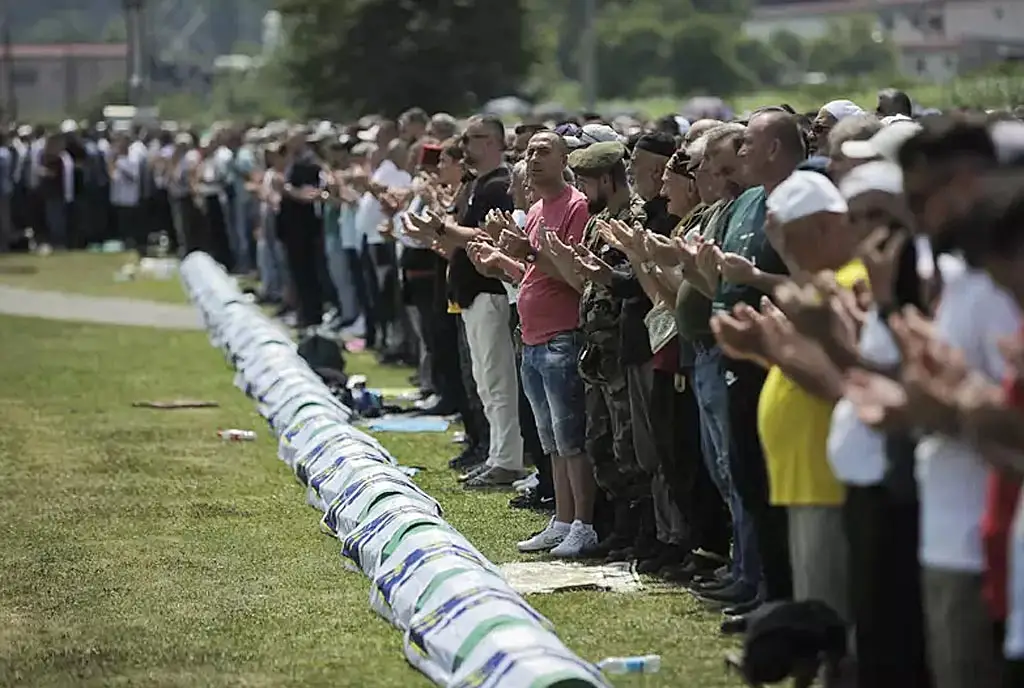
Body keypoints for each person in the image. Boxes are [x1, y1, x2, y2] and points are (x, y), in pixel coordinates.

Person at [498, 131, 595, 557]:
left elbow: (573, 276)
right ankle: (561, 518)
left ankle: (584, 524)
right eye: (529, 152)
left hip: (561, 336)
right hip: (534, 338)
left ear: (564, 159)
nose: (533, 159)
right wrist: (508, 258)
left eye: (543, 152)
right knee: (551, 439)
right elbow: (533, 272)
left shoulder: (576, 206)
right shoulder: (536, 208)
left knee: (570, 437)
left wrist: (530, 253)